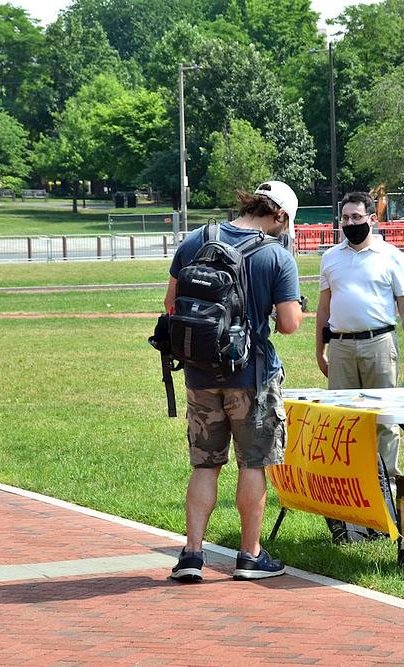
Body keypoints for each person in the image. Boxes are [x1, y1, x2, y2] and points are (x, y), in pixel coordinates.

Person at [165, 181, 303, 582]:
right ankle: (250, 554)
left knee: (205, 464)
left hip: (199, 373)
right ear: (279, 215)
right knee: (252, 463)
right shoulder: (275, 256)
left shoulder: (196, 239)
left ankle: (192, 554)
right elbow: (290, 324)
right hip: (251, 376)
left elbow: (170, 303)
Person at [315, 191, 404, 543]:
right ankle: (350, 510)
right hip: (342, 347)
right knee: (342, 424)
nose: (350, 224)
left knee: (385, 423)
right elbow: (323, 308)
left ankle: (386, 505)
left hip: (379, 344)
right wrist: (321, 348)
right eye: (345, 219)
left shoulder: (390, 256)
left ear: (371, 219)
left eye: (357, 218)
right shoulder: (330, 258)